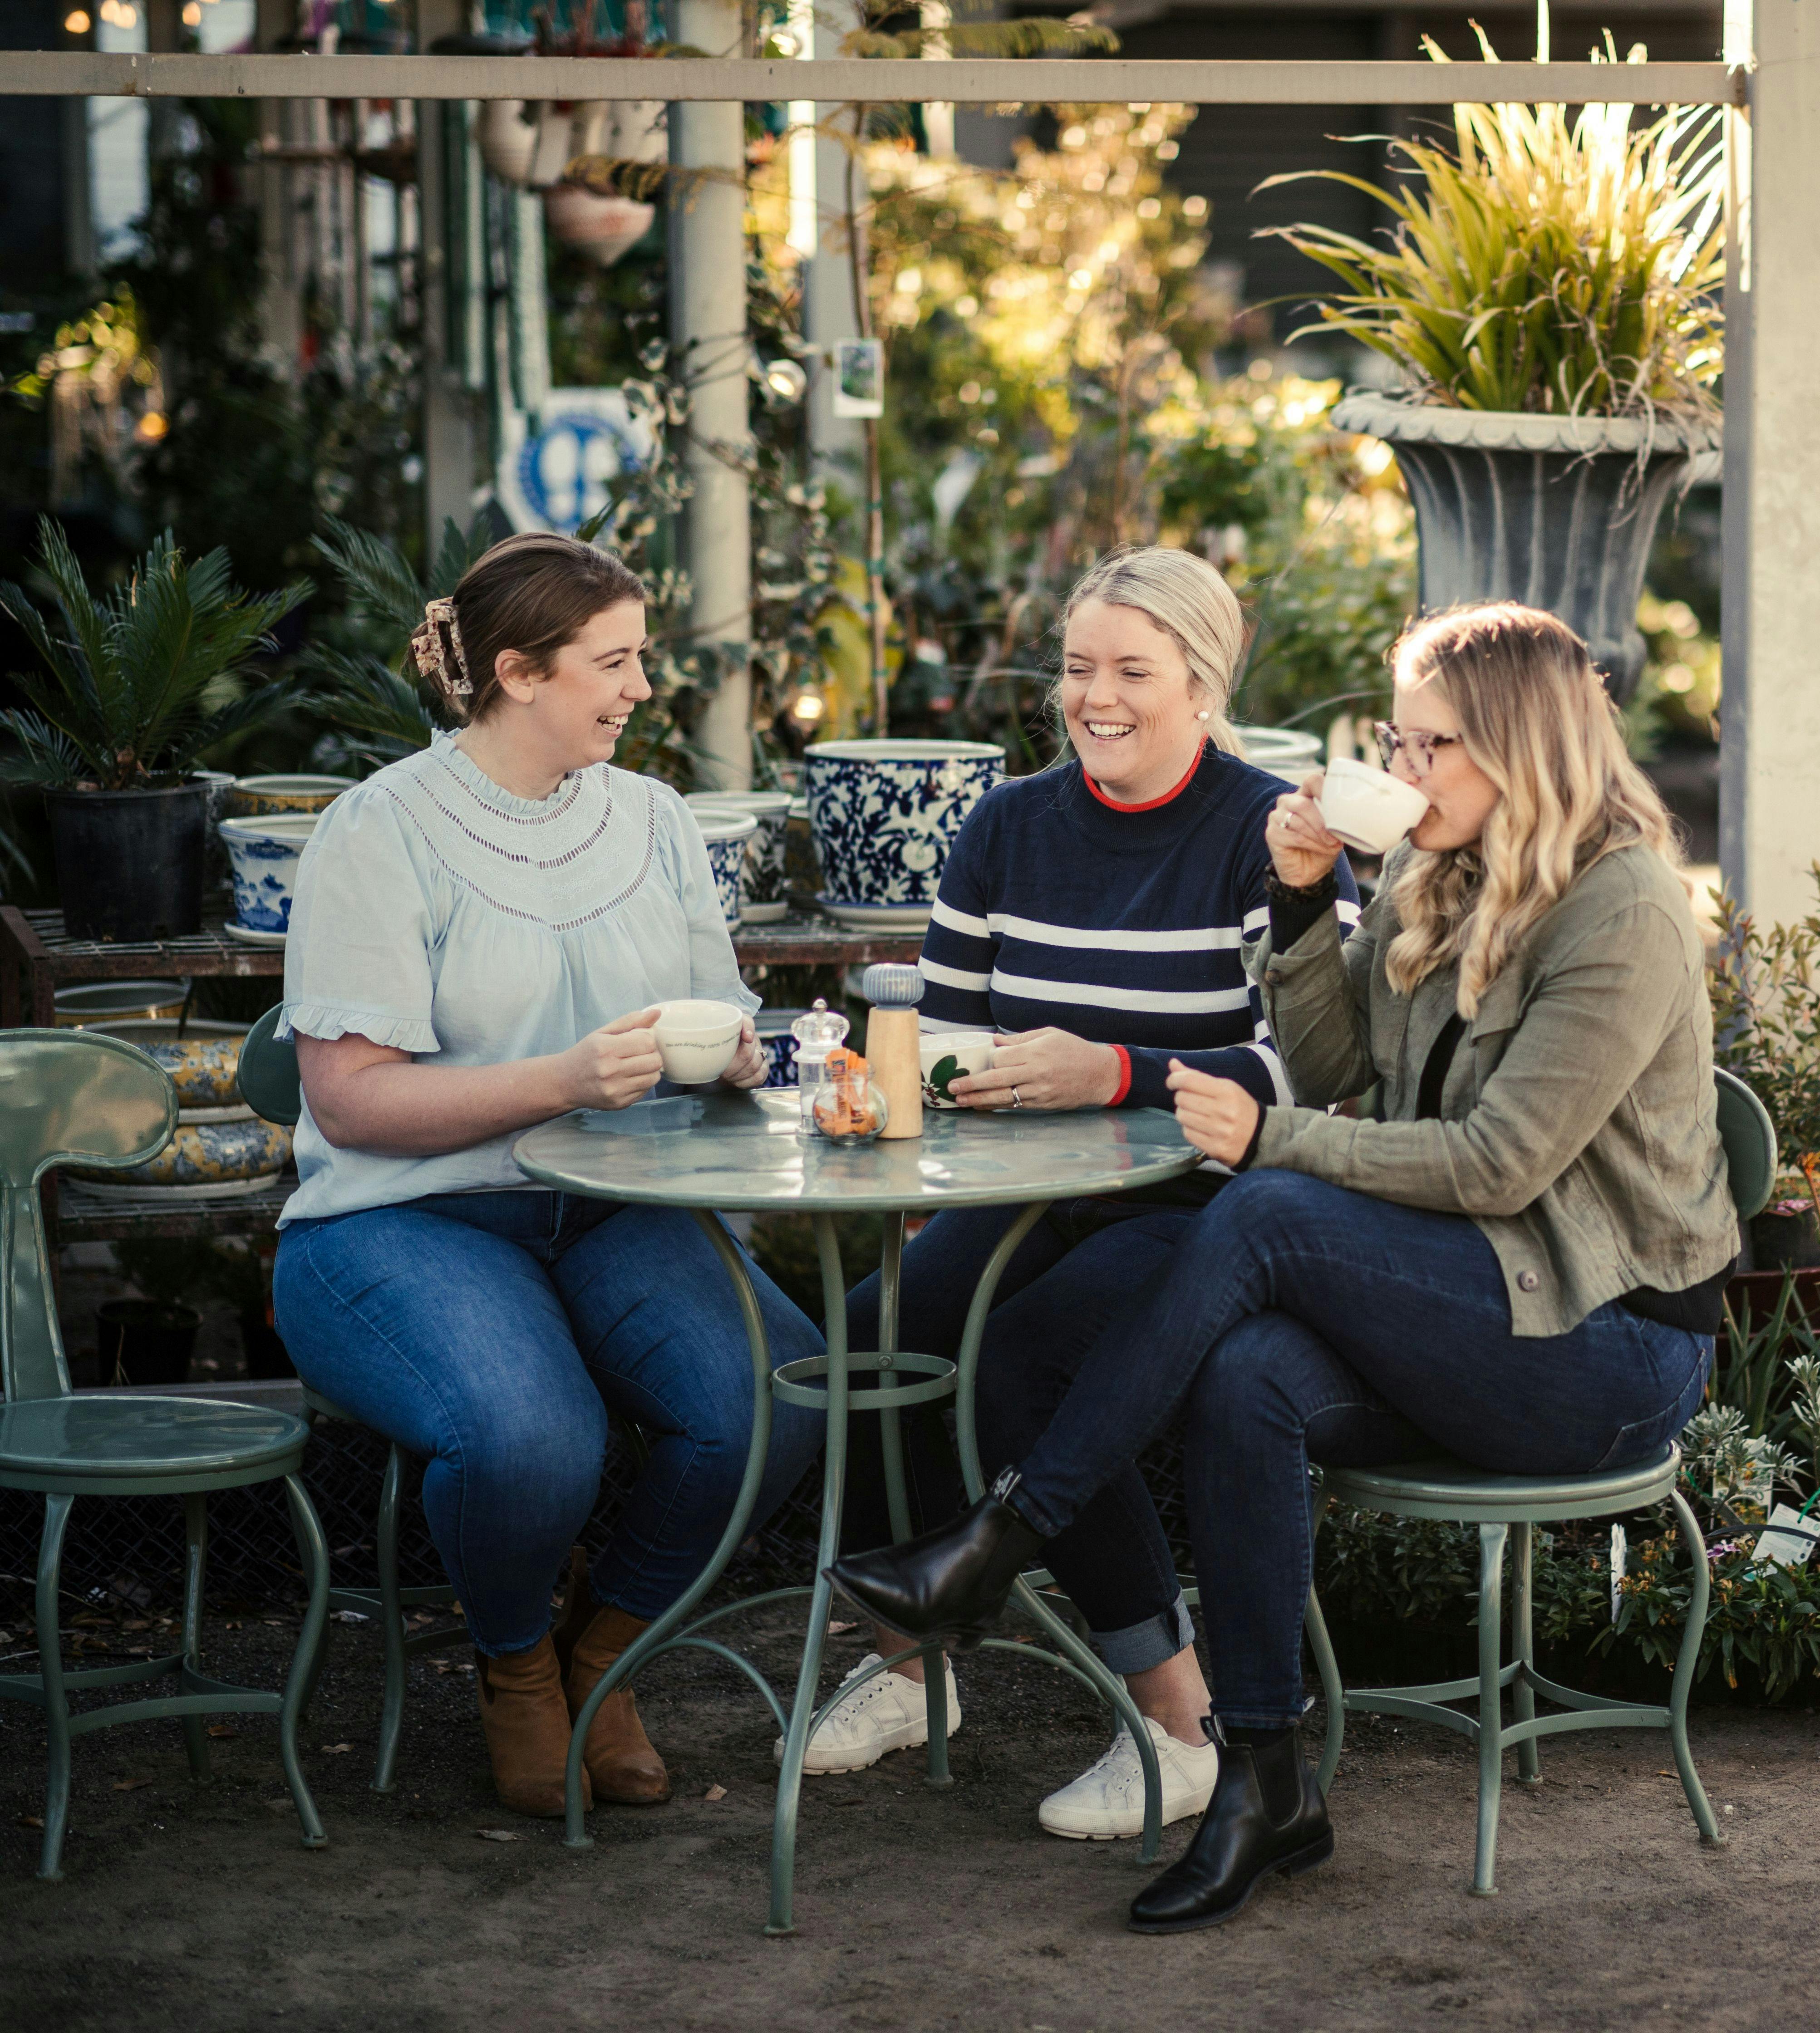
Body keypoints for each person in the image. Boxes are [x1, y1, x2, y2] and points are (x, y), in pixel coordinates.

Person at [826, 601, 1742, 1933]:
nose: (1401, 766)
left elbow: (1494, 1165)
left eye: (1430, 744)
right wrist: (1304, 900)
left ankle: (998, 1538)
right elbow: (1338, 1065)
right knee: (1247, 1373)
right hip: (1476, 1299)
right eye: (1396, 738)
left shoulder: (1625, 907)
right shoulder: (1446, 869)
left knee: (1260, 1211)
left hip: (1604, 1349)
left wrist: (1272, 1141)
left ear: (1523, 751)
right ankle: (1264, 1779)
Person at [788, 546, 1357, 1849]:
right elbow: (940, 1033)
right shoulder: (1007, 826)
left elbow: (1316, 1065)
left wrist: (1118, 1072)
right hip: (1026, 1189)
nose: (1094, 696)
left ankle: (1183, 1724)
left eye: (1132, 671)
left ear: (1204, 687)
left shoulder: (1268, 835)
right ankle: (911, 1670)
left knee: (1027, 1370)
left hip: (1202, 1210)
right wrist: (913, 1083)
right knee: (867, 1348)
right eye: (1077, 667)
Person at [271, 533, 822, 1820]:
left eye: (642, 658)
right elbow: (349, 1102)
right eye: (614, 662)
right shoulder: (381, 831)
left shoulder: (653, 816)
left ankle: (607, 1648)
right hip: (402, 1218)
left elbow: (708, 1012)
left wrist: (735, 1055)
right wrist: (563, 1081)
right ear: (517, 672)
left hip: (620, 1201)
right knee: (530, 1438)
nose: (641, 687)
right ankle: (517, 1663)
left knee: (779, 1397)